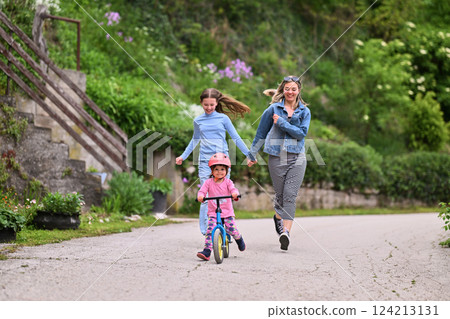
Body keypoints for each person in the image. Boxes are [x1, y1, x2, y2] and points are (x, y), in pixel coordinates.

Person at [176, 88, 256, 235]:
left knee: (223, 194)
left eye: (212, 105)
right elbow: (194, 141)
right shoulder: (198, 121)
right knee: (205, 196)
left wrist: (249, 154)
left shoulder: (223, 119)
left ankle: (226, 227)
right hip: (205, 162)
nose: (209, 108)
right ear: (201, 103)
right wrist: (183, 156)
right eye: (206, 105)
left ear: (217, 103)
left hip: (222, 161)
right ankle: (207, 231)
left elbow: (236, 137)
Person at [249, 76, 310, 251]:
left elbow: (301, 134)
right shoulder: (272, 109)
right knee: (281, 195)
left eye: (293, 89)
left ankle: (286, 233)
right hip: (276, 156)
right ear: (283, 90)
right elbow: (261, 133)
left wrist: (282, 123)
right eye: (287, 89)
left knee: (290, 194)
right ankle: (278, 217)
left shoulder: (305, 111)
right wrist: (252, 154)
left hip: (297, 157)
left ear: (298, 91)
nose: (290, 92)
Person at [196, 153, 245, 261]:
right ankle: (207, 251)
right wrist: (201, 196)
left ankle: (239, 238)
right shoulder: (208, 182)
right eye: (216, 169)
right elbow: (202, 191)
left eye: (222, 169)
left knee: (231, 228)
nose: (219, 171)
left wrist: (235, 194)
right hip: (213, 212)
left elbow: (233, 189)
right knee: (210, 230)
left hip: (227, 212)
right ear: (212, 171)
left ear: (226, 171)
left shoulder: (228, 182)